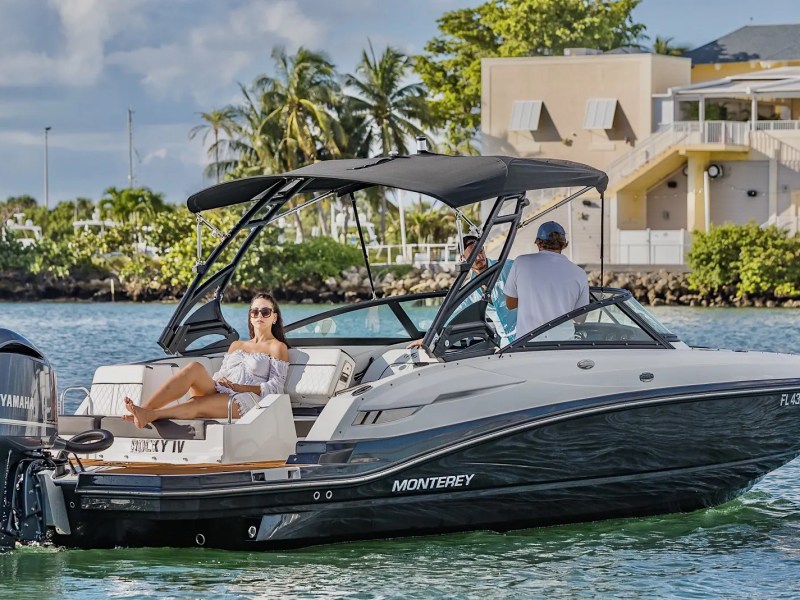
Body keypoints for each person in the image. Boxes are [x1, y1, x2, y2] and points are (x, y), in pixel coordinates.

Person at [122, 293, 290, 428]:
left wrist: (240, 387)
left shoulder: (277, 347)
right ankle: (144, 409)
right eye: (255, 312)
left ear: (274, 317)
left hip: (246, 400)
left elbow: (276, 389)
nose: (259, 315)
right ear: (250, 316)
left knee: (198, 403)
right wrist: (219, 382)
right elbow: (224, 372)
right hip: (223, 390)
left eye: (265, 312)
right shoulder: (236, 345)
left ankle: (151, 415)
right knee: (193, 368)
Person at [408, 234, 517, 348]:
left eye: (480, 251)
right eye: (473, 255)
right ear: (463, 258)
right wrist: (427, 338)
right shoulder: (470, 288)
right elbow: (451, 312)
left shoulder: (509, 267)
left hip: (528, 335)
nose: (479, 257)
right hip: (506, 343)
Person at [504, 221, 589, 340]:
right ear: (564, 243)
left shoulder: (521, 263)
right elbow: (580, 319)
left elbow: (510, 304)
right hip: (564, 345)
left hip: (528, 344)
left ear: (538, 242)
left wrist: (532, 298)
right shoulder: (579, 273)